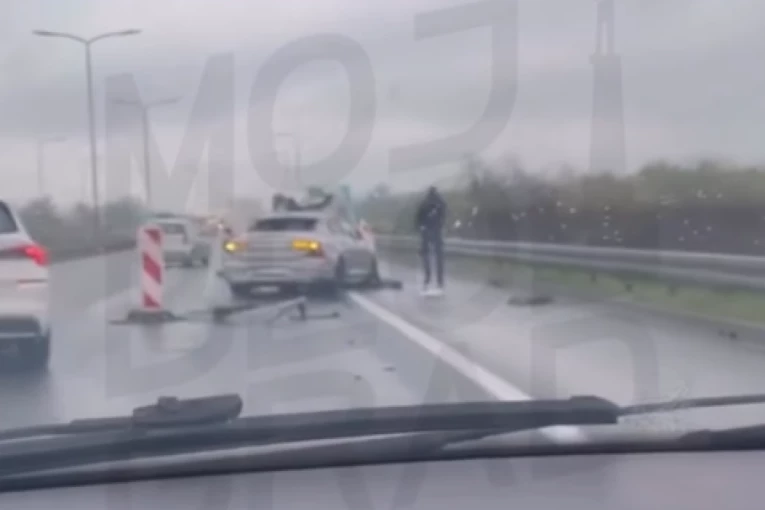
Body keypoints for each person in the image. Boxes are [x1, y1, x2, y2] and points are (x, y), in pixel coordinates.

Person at [415, 186, 447, 296]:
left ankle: (428, 279)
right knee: (438, 257)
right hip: (436, 232)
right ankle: (439, 281)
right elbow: (443, 216)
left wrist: (421, 227)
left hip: (428, 232)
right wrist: (440, 225)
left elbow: (418, 218)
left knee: (427, 257)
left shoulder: (425, 202)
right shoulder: (440, 202)